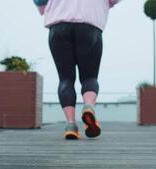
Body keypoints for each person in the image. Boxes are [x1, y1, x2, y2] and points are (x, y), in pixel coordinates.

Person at [35, 0, 121, 140]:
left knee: (65, 78)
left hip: (58, 25)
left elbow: (41, 5)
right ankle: (88, 106)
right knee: (89, 77)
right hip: (90, 24)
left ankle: (71, 125)